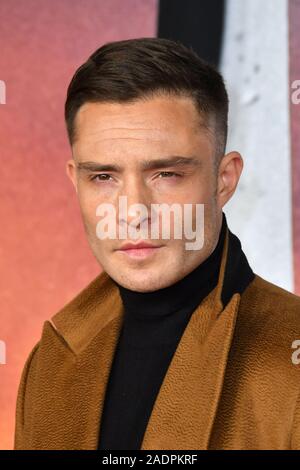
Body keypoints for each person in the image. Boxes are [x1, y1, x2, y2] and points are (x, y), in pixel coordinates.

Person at [14, 37, 300, 450]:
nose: (133, 211)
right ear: (75, 180)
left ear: (224, 179)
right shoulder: (49, 363)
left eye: (165, 174)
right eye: (103, 177)